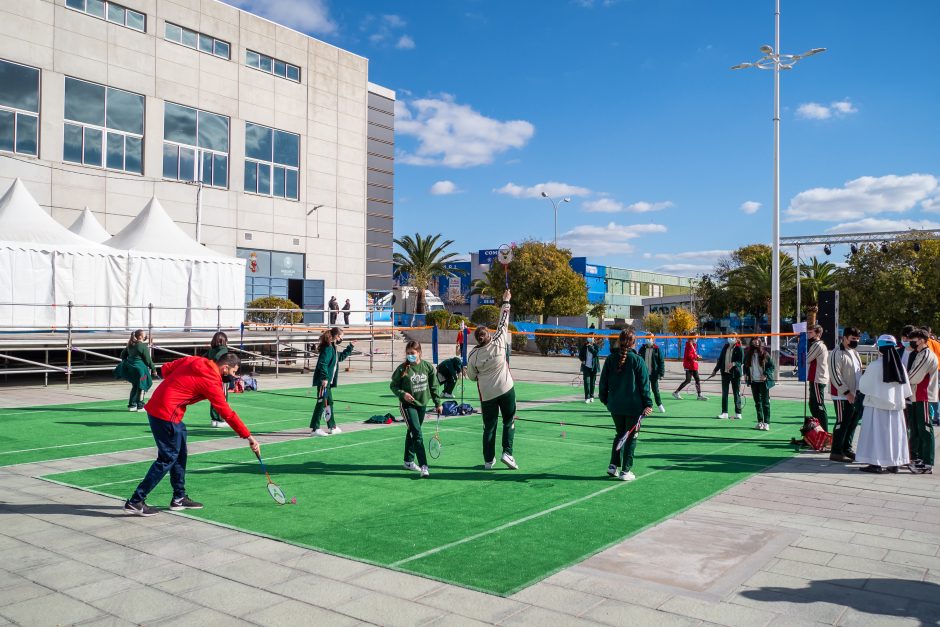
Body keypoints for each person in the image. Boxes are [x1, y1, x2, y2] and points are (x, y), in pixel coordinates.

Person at [124, 353, 260, 516]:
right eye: (232, 372)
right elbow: (226, 413)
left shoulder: (196, 360)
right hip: (166, 414)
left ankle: (179, 497)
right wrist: (248, 436)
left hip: (165, 409)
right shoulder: (211, 381)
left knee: (180, 455)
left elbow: (167, 368)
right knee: (167, 458)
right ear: (225, 368)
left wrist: (176, 386)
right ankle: (135, 501)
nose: (233, 376)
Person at [466, 289, 519, 470]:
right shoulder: (498, 340)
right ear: (488, 334)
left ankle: (489, 461)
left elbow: (471, 377)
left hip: (487, 394)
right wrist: (505, 300)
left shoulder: (473, 355)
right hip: (506, 389)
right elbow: (504, 319)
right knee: (509, 420)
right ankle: (508, 453)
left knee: (489, 427)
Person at [599, 327, 654, 481]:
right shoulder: (637, 360)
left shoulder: (611, 359)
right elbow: (645, 386)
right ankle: (625, 471)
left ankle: (613, 466)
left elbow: (603, 383)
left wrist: (606, 399)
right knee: (631, 437)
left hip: (615, 406)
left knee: (620, 434)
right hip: (633, 407)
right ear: (633, 343)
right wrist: (648, 404)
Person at [855, 335, 911, 473]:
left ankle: (876, 463)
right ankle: (894, 463)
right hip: (895, 408)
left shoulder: (874, 366)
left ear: (879, 348)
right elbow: (906, 389)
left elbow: (863, 386)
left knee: (875, 435)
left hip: (876, 407)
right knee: (895, 435)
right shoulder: (900, 366)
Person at [390, 341, 443, 478]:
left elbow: (434, 386)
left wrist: (438, 403)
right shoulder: (402, 369)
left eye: (412, 353)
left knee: (412, 432)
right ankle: (424, 465)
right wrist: (403, 394)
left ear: (419, 352)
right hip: (407, 406)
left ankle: (408, 461)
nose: (410, 356)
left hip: (422, 405)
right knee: (417, 434)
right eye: (407, 354)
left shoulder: (427, 367)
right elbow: (393, 386)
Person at [309, 327, 355, 436]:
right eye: (340, 337)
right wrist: (324, 378)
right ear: (335, 336)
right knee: (321, 403)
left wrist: (350, 347)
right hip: (323, 382)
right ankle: (315, 429)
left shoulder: (332, 347)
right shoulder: (328, 348)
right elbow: (323, 363)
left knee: (329, 403)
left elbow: (339, 358)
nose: (341, 339)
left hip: (327, 382)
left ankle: (332, 426)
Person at [828, 327, 863, 462]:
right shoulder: (836, 353)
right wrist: (847, 392)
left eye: (857, 339)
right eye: (853, 339)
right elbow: (835, 375)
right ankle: (836, 451)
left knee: (852, 422)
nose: (855, 341)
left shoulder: (854, 353)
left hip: (855, 394)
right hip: (841, 395)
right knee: (842, 422)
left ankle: (846, 448)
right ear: (844, 338)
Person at [905, 328, 937, 474]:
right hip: (917, 395)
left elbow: (914, 375)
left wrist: (904, 380)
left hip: (923, 395)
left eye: (914, 339)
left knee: (925, 428)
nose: (912, 342)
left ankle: (927, 462)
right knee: (917, 429)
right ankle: (919, 458)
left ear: (922, 340)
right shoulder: (921, 353)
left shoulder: (926, 354)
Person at [114, 330, 158, 412]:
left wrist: (131, 361)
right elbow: (148, 360)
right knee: (142, 386)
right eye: (145, 335)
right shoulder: (142, 346)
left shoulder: (130, 345)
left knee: (135, 386)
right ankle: (140, 406)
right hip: (140, 370)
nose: (146, 336)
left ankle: (132, 405)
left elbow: (122, 355)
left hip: (132, 368)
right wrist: (154, 369)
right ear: (141, 336)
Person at [744, 336, 775, 430]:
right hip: (754, 382)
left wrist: (765, 374)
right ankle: (760, 422)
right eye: (754, 341)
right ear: (751, 342)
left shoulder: (765, 354)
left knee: (765, 402)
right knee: (757, 403)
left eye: (758, 341)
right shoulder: (748, 354)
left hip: (763, 382)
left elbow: (771, 366)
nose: (756, 343)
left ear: (760, 342)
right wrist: (746, 374)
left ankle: (766, 423)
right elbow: (745, 366)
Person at [712, 334, 744, 420]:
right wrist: (715, 370)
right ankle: (724, 413)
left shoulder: (739, 348)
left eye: (733, 337)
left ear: (737, 339)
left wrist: (733, 364)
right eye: (729, 337)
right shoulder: (725, 347)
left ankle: (738, 413)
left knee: (736, 394)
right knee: (724, 394)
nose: (731, 338)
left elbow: (741, 361)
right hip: (725, 373)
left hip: (735, 374)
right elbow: (720, 359)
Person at [806, 324, 830, 432]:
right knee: (812, 404)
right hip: (814, 378)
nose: (808, 334)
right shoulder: (815, 345)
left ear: (817, 334)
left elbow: (807, 358)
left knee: (819, 405)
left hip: (818, 379)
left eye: (810, 332)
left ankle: (824, 431)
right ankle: (818, 429)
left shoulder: (818, 345)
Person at [205, 331, 230, 428]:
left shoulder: (211, 350)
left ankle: (214, 418)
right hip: (221, 378)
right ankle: (220, 419)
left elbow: (203, 358)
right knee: (222, 399)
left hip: (211, 377)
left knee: (214, 398)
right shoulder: (224, 350)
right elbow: (223, 361)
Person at [673, 336, 707, 401]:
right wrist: (697, 357)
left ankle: (699, 395)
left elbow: (693, 354)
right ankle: (676, 392)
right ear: (691, 338)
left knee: (697, 379)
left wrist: (697, 356)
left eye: (697, 338)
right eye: (695, 338)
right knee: (688, 380)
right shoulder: (688, 346)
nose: (696, 339)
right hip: (689, 365)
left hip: (693, 365)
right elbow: (689, 355)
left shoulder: (693, 345)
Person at [639, 336, 666, 413]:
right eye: (647, 338)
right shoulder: (642, 349)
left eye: (650, 338)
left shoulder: (657, 349)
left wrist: (661, 373)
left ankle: (659, 404)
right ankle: (647, 406)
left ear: (653, 340)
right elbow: (639, 360)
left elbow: (661, 362)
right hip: (644, 374)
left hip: (653, 373)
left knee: (655, 390)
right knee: (645, 390)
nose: (648, 340)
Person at [924, 327, 940, 427]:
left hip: (931, 371)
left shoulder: (927, 343)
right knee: (936, 392)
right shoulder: (936, 343)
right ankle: (937, 417)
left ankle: (934, 416)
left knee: (931, 393)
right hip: (938, 369)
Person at [578, 336, 601, 403]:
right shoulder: (584, 346)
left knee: (592, 382)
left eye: (592, 338)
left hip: (594, 367)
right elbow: (580, 355)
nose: (591, 339)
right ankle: (587, 397)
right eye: (589, 338)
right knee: (586, 382)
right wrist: (582, 360)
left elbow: (596, 353)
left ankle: (592, 396)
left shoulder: (596, 346)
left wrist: (590, 347)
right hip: (586, 367)